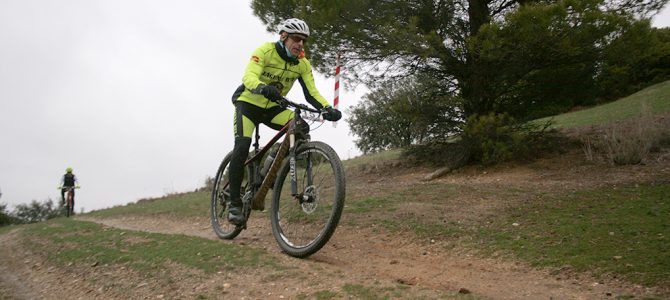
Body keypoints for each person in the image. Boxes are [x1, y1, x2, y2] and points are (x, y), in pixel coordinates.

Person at [227, 18, 341, 225]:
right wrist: (262, 87)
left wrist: (327, 108)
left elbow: (311, 93)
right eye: (296, 39)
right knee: (242, 146)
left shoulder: (302, 64)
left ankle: (267, 171)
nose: (300, 44)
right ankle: (234, 203)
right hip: (248, 105)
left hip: (272, 108)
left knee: (300, 126)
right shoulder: (264, 51)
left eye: (303, 41)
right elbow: (249, 76)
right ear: (284, 37)